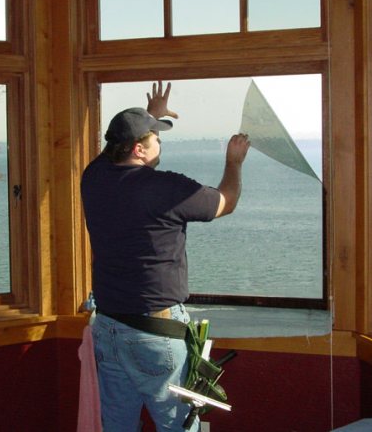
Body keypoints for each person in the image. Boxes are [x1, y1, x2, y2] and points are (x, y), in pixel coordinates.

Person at [81, 80, 250, 432]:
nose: (160, 142)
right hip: (156, 332)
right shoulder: (166, 188)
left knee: (117, 427)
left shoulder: (93, 177)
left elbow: (117, 150)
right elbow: (226, 201)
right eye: (155, 138)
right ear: (138, 150)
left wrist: (150, 117)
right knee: (178, 427)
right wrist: (233, 162)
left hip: (109, 327)